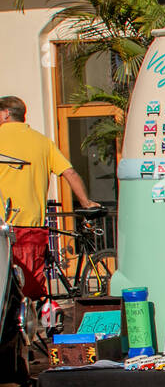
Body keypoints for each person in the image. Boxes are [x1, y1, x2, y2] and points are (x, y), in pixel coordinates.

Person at [0, 96, 100, 298]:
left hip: (4, 226)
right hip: (32, 227)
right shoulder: (43, 142)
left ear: (5, 114)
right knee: (31, 288)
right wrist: (86, 203)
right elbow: (70, 173)